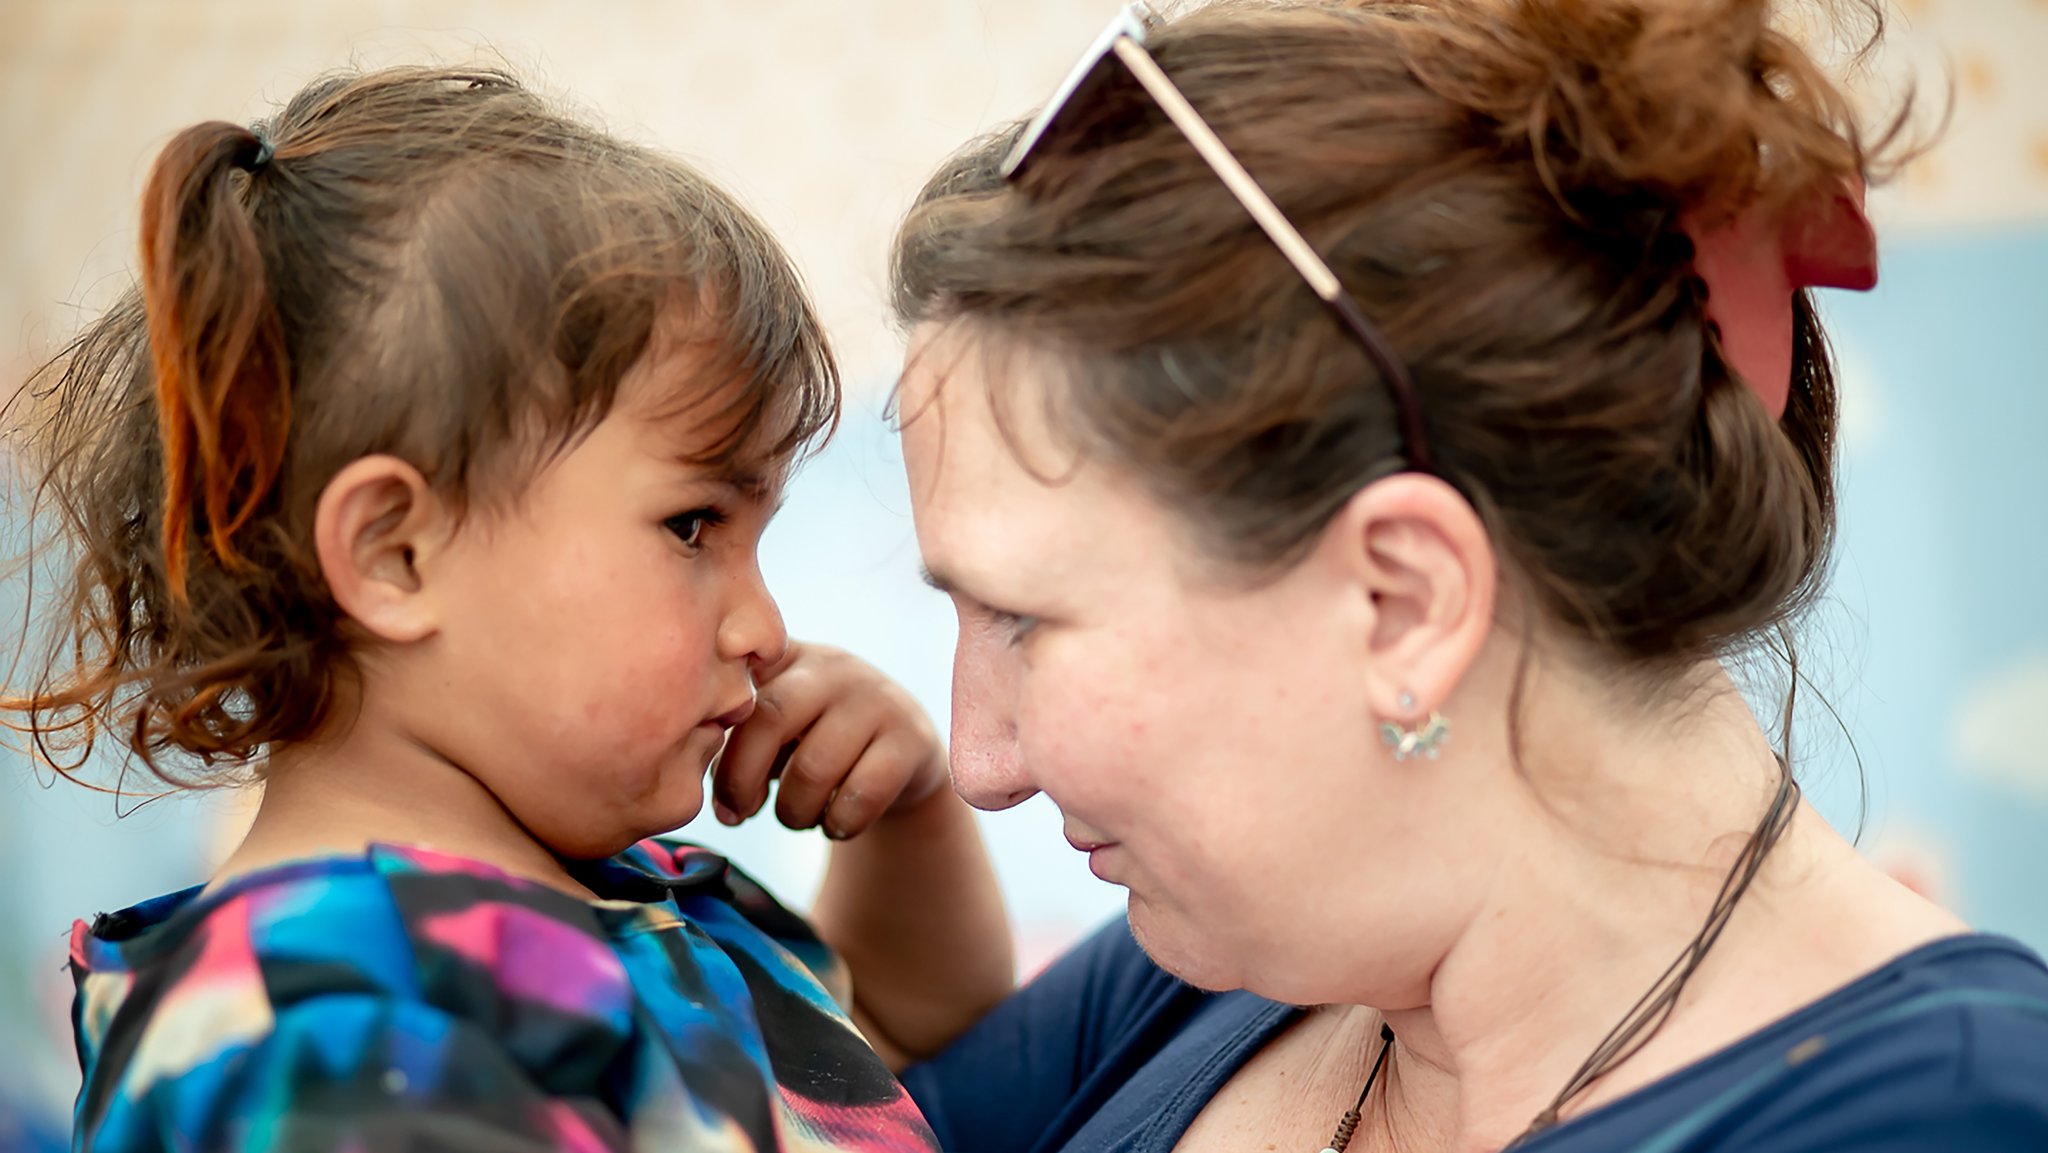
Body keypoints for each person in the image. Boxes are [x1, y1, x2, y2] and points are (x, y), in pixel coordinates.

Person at [886, 2, 2048, 1151]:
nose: (979, 763)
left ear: (1403, 603)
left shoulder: (1940, 1115)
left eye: (1023, 618)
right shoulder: (1206, 969)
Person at [2, 66, 1009, 1152]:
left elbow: (905, 1036)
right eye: (692, 526)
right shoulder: (316, 1031)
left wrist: (905, 818)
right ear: (395, 553)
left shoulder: (640, 893)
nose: (762, 625)